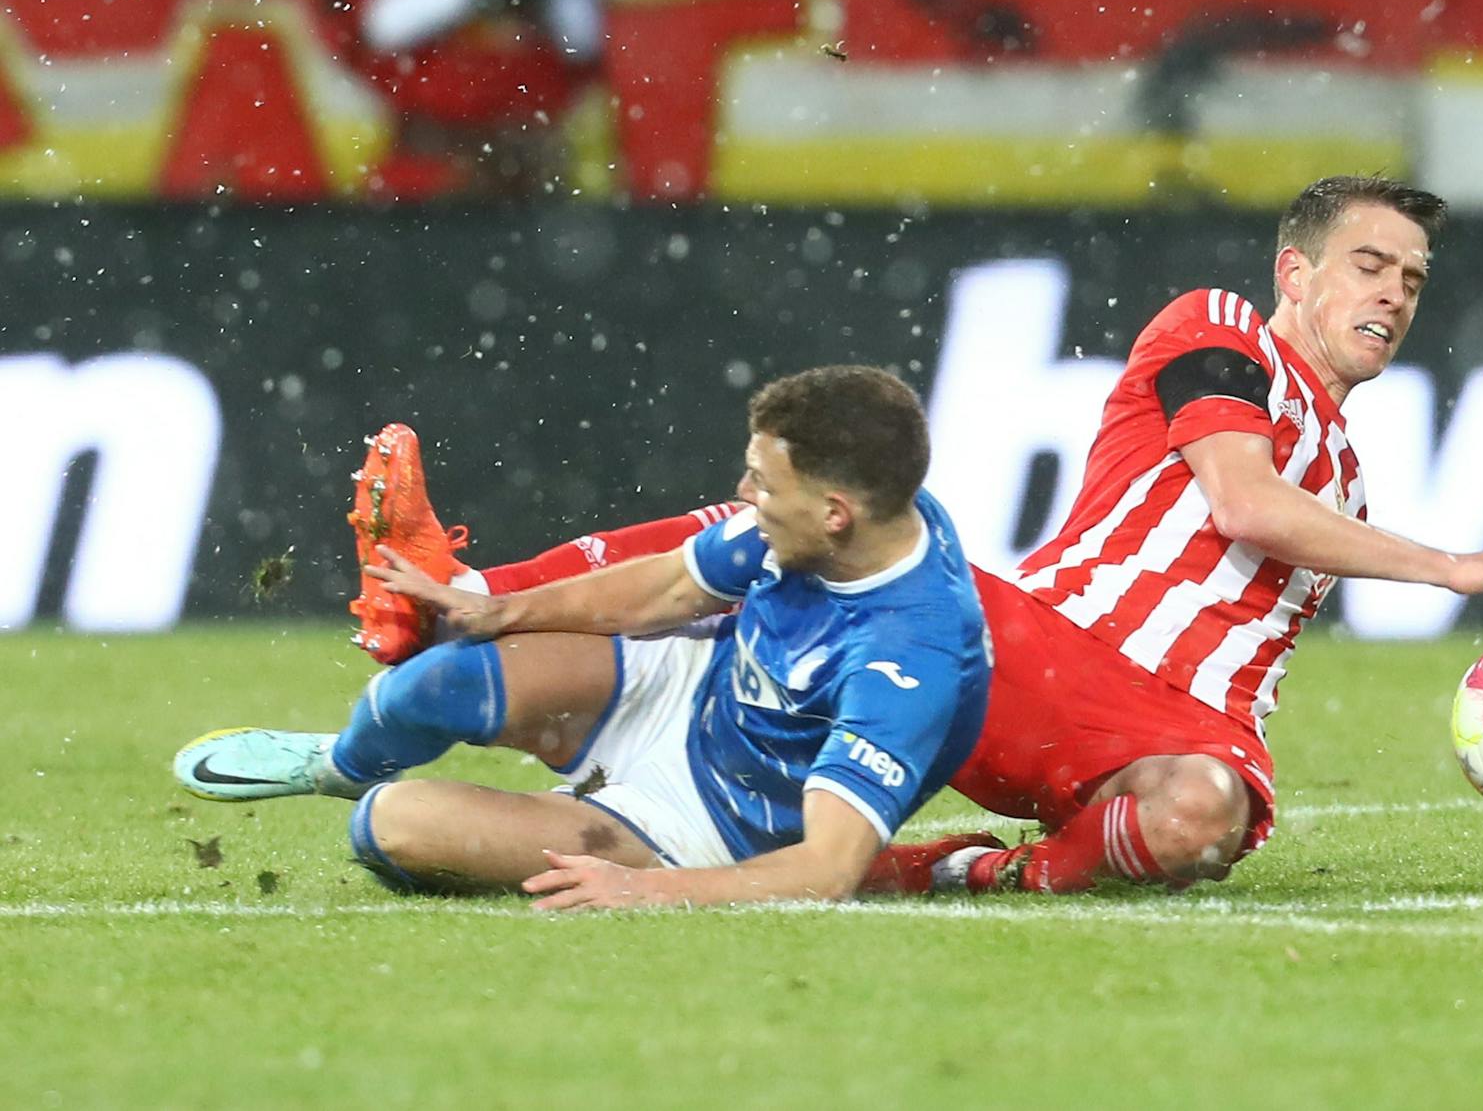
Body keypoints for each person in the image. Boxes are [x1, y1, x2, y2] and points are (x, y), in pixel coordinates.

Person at [347, 176, 1483, 895]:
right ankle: (458, 590)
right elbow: (1236, 502)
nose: (1389, 293)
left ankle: (955, 874)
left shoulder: (1349, 471)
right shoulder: (1221, 328)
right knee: (797, 512)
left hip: (1175, 723)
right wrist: (1459, 566)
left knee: (1203, 816)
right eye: (1367, 264)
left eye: (1410, 280)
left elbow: (1271, 527)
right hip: (1029, 645)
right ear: (1292, 271)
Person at [173, 366, 991, 910]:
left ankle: (401, 795)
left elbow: (826, 868)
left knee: (393, 826)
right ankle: (335, 764)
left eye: (762, 483)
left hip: (706, 826)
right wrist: (499, 608)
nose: (743, 494)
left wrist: (646, 893)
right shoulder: (834, 520)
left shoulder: (906, 659)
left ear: (835, 512)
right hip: (694, 687)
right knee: (432, 684)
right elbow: (669, 587)